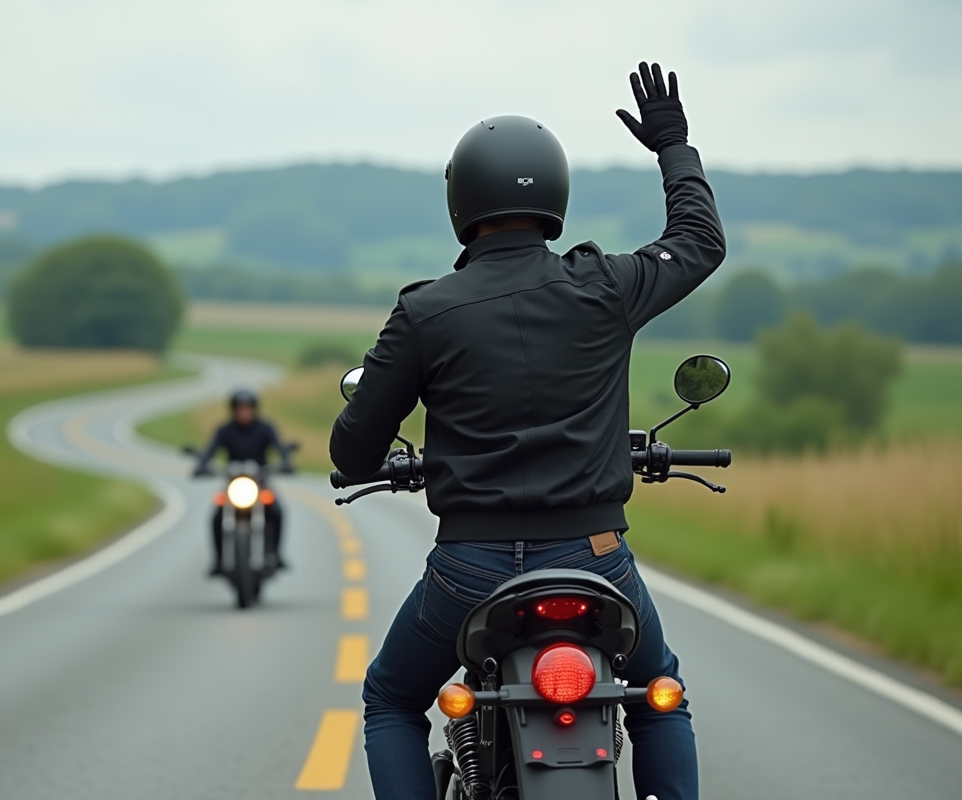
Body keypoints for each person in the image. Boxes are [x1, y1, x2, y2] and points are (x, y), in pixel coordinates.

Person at [329, 62, 724, 800]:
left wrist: (374, 450)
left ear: (460, 201)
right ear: (556, 197)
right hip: (597, 556)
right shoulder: (605, 285)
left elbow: (351, 452)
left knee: (390, 697)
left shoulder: (424, 311)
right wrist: (673, 144)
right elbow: (699, 241)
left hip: (469, 569)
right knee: (659, 694)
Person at [195, 389, 294, 574]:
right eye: (240, 408)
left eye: (247, 408)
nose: (244, 412)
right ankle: (218, 560)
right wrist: (202, 465)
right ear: (233, 410)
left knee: (277, 511)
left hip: (260, 483)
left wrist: (286, 462)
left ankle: (275, 554)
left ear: (254, 409)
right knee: (216, 516)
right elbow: (211, 450)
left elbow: (279, 447)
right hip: (233, 484)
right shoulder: (224, 430)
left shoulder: (265, 428)